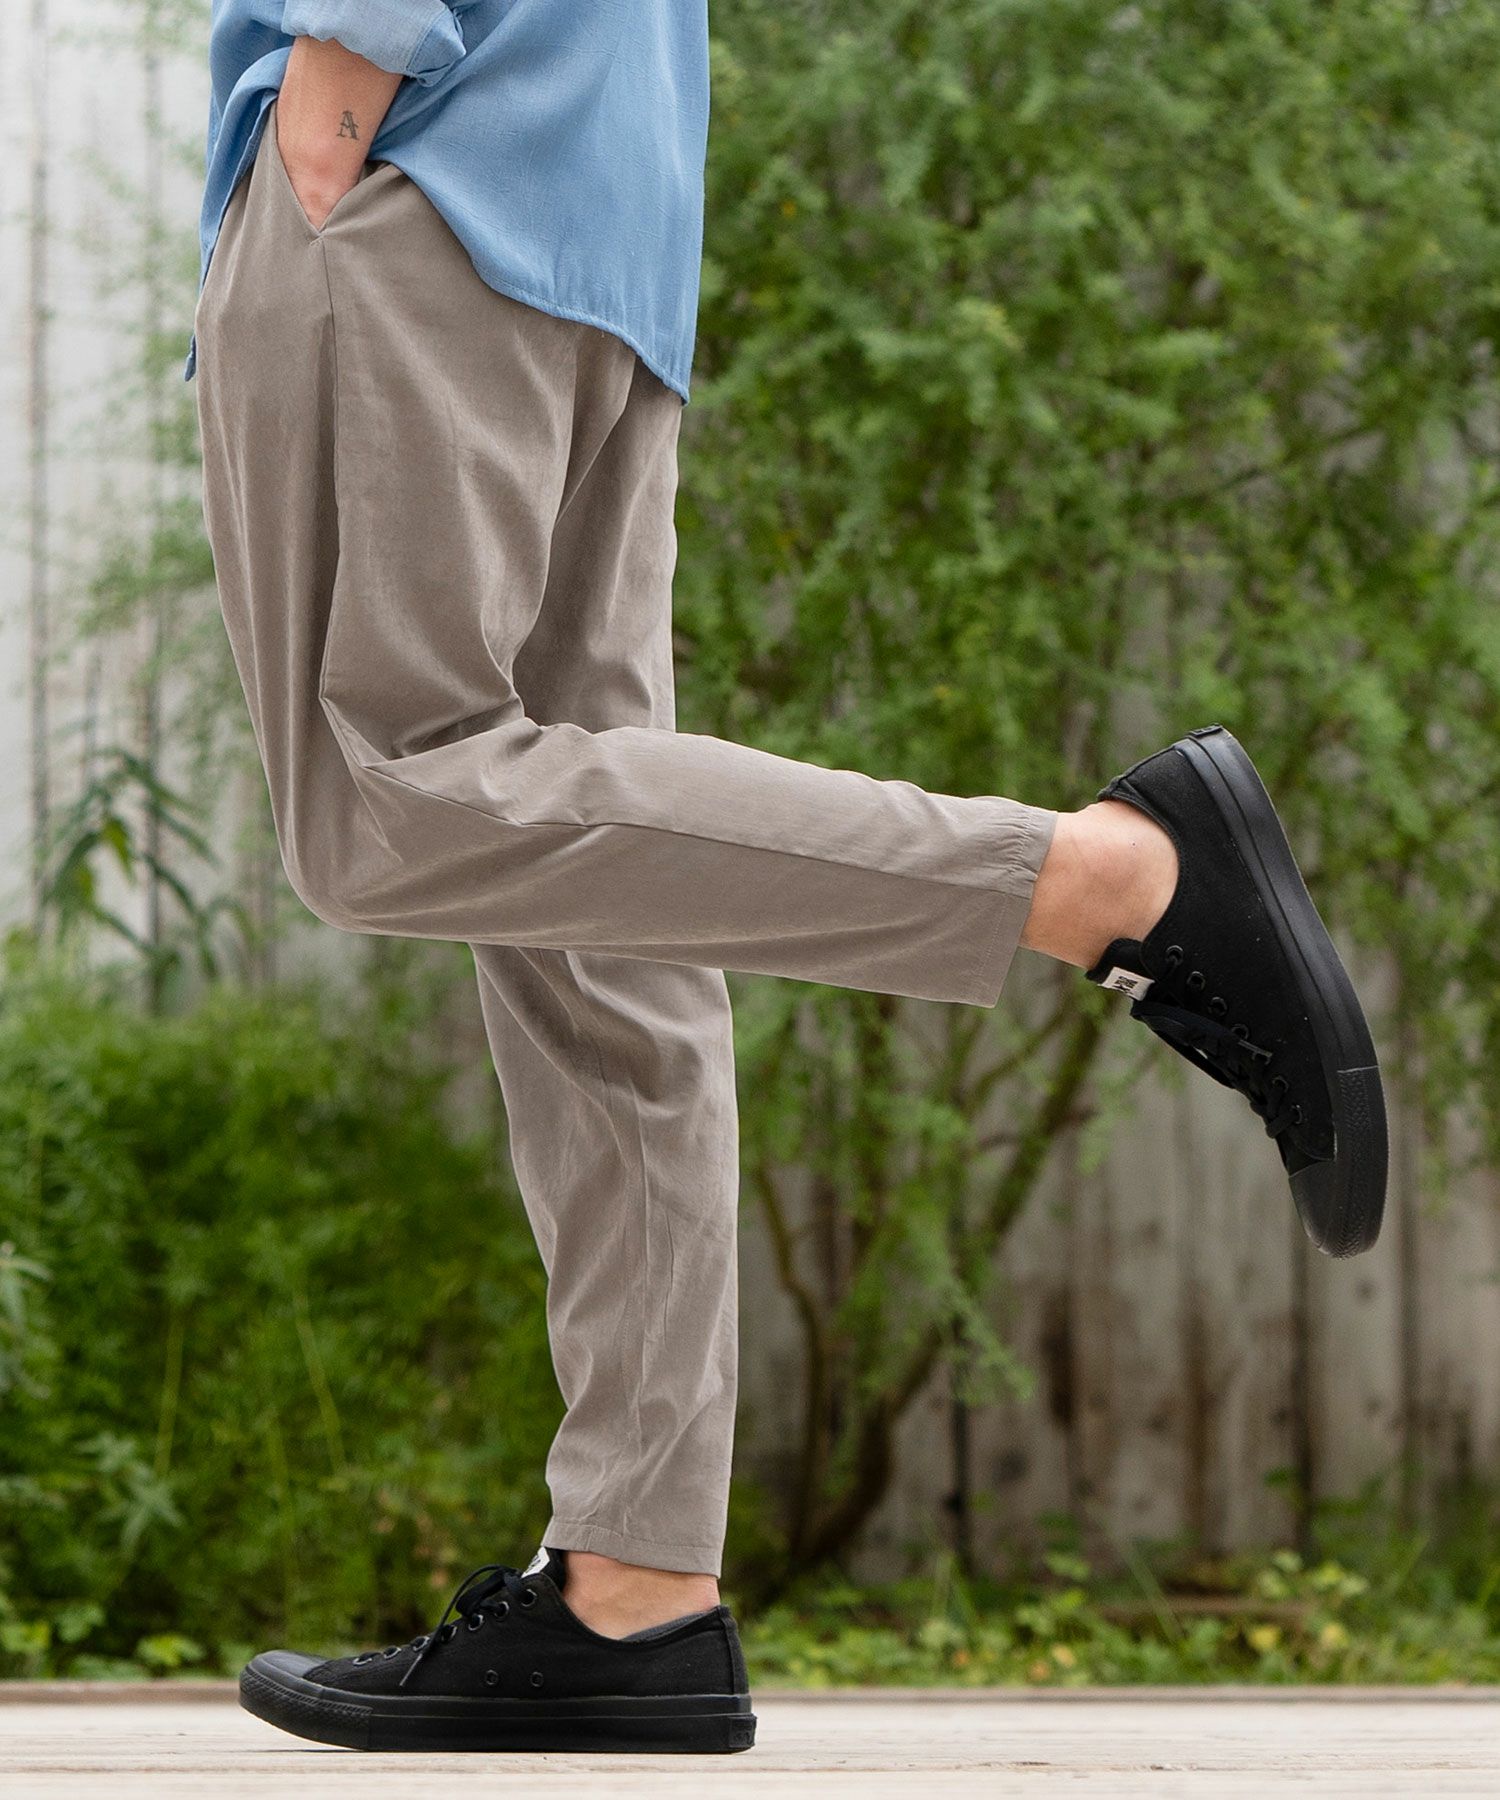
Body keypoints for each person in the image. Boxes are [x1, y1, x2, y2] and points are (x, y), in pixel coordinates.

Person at [189, 2, 1387, 1757]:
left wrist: (343, 60)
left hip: (419, 155)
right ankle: (633, 1589)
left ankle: (1100, 879)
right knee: (596, 928)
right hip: (597, 197)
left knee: (397, 794)